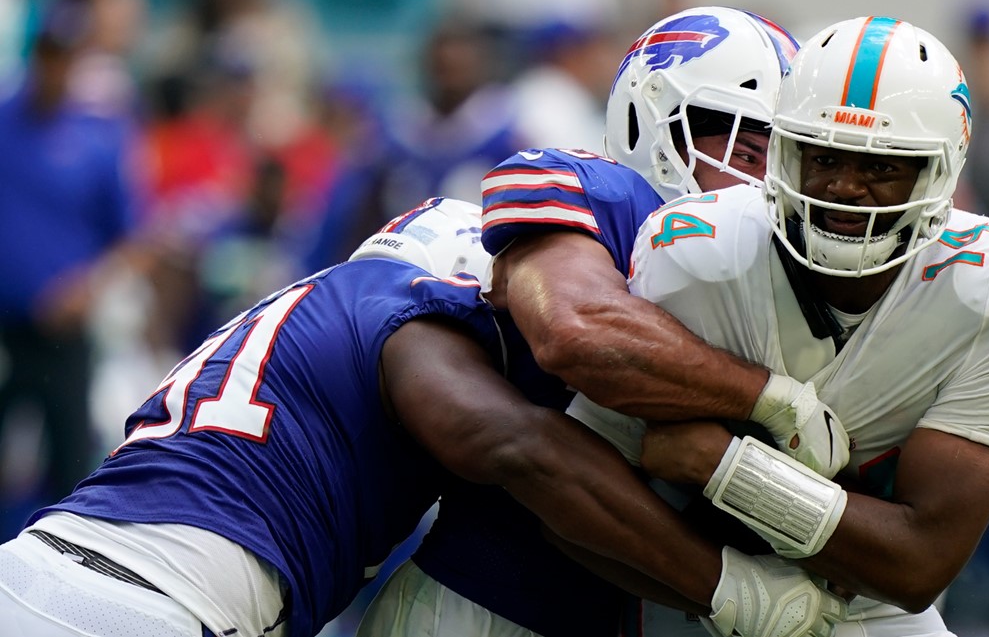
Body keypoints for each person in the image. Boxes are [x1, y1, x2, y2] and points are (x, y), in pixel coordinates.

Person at [0, 198, 838, 637]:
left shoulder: (308, 310)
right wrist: (729, 587)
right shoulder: (408, 317)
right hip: (157, 606)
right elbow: (523, 447)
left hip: (37, 564)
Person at [566, 16, 989, 637]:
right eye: (824, 156)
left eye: (883, 167)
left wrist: (726, 464)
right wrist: (730, 589)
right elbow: (576, 486)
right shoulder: (696, 252)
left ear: (938, 174)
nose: (844, 188)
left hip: (873, 606)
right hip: (690, 587)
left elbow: (917, 568)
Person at [360, 6, 847, 637]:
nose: (759, 179)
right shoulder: (606, 199)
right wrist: (774, 400)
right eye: (742, 146)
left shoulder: (774, 273)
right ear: (652, 118)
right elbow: (578, 333)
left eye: (778, 155)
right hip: (478, 606)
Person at [0, 0, 143, 530]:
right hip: (4, 327)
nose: (55, 68)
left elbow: (130, 238)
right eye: (47, 53)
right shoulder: (4, 123)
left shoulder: (97, 137)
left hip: (64, 332)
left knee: (65, 463)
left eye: (66, 56)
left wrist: (85, 289)